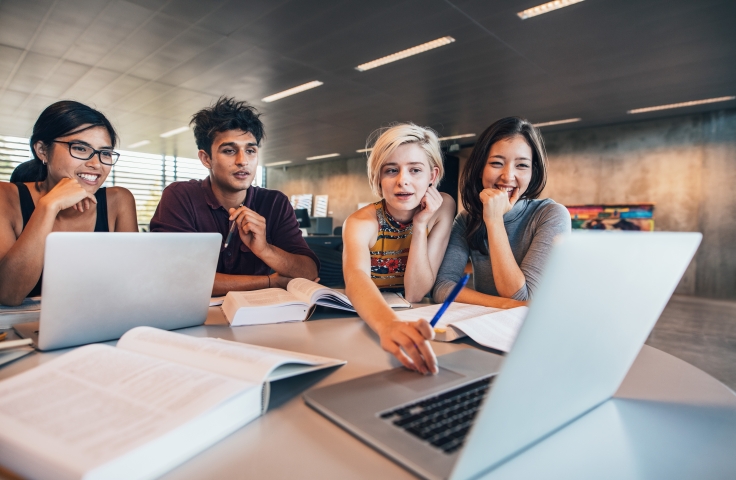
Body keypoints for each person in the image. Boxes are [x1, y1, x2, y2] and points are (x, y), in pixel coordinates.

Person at [149, 97, 319, 296]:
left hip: (259, 318)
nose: (242, 161)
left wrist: (264, 249)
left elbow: (309, 272)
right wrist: (269, 282)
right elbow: (178, 278)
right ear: (206, 158)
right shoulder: (181, 196)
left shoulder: (275, 203)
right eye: (229, 151)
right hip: (197, 317)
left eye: (250, 150)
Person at [342, 123, 456, 375]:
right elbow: (355, 277)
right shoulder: (360, 222)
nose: (403, 180)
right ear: (378, 178)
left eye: (415, 170)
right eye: (391, 170)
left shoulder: (443, 207)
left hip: (415, 317)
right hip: (368, 320)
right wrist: (388, 325)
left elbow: (415, 292)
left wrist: (420, 225)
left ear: (432, 176)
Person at [0, 101, 138, 306]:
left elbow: (133, 286)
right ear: (42, 151)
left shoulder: (118, 201)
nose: (96, 164)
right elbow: (9, 295)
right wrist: (49, 206)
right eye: (80, 148)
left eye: (105, 153)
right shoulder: (6, 196)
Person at [433, 117, 571, 308]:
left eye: (522, 165)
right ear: (480, 169)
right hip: (485, 326)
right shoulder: (466, 219)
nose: (508, 176)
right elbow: (442, 287)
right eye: (497, 163)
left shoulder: (551, 215)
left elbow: (521, 296)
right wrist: (503, 305)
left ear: (533, 173)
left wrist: (494, 220)